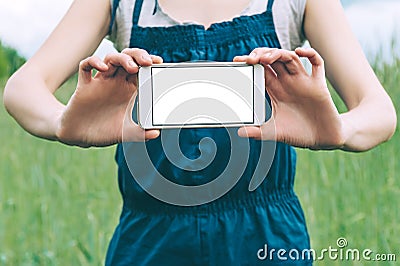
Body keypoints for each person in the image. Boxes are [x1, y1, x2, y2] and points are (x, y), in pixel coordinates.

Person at [3, 0, 396, 265]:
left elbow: (379, 112)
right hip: (148, 239)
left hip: (268, 238)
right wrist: (62, 122)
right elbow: (23, 88)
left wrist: (339, 129)